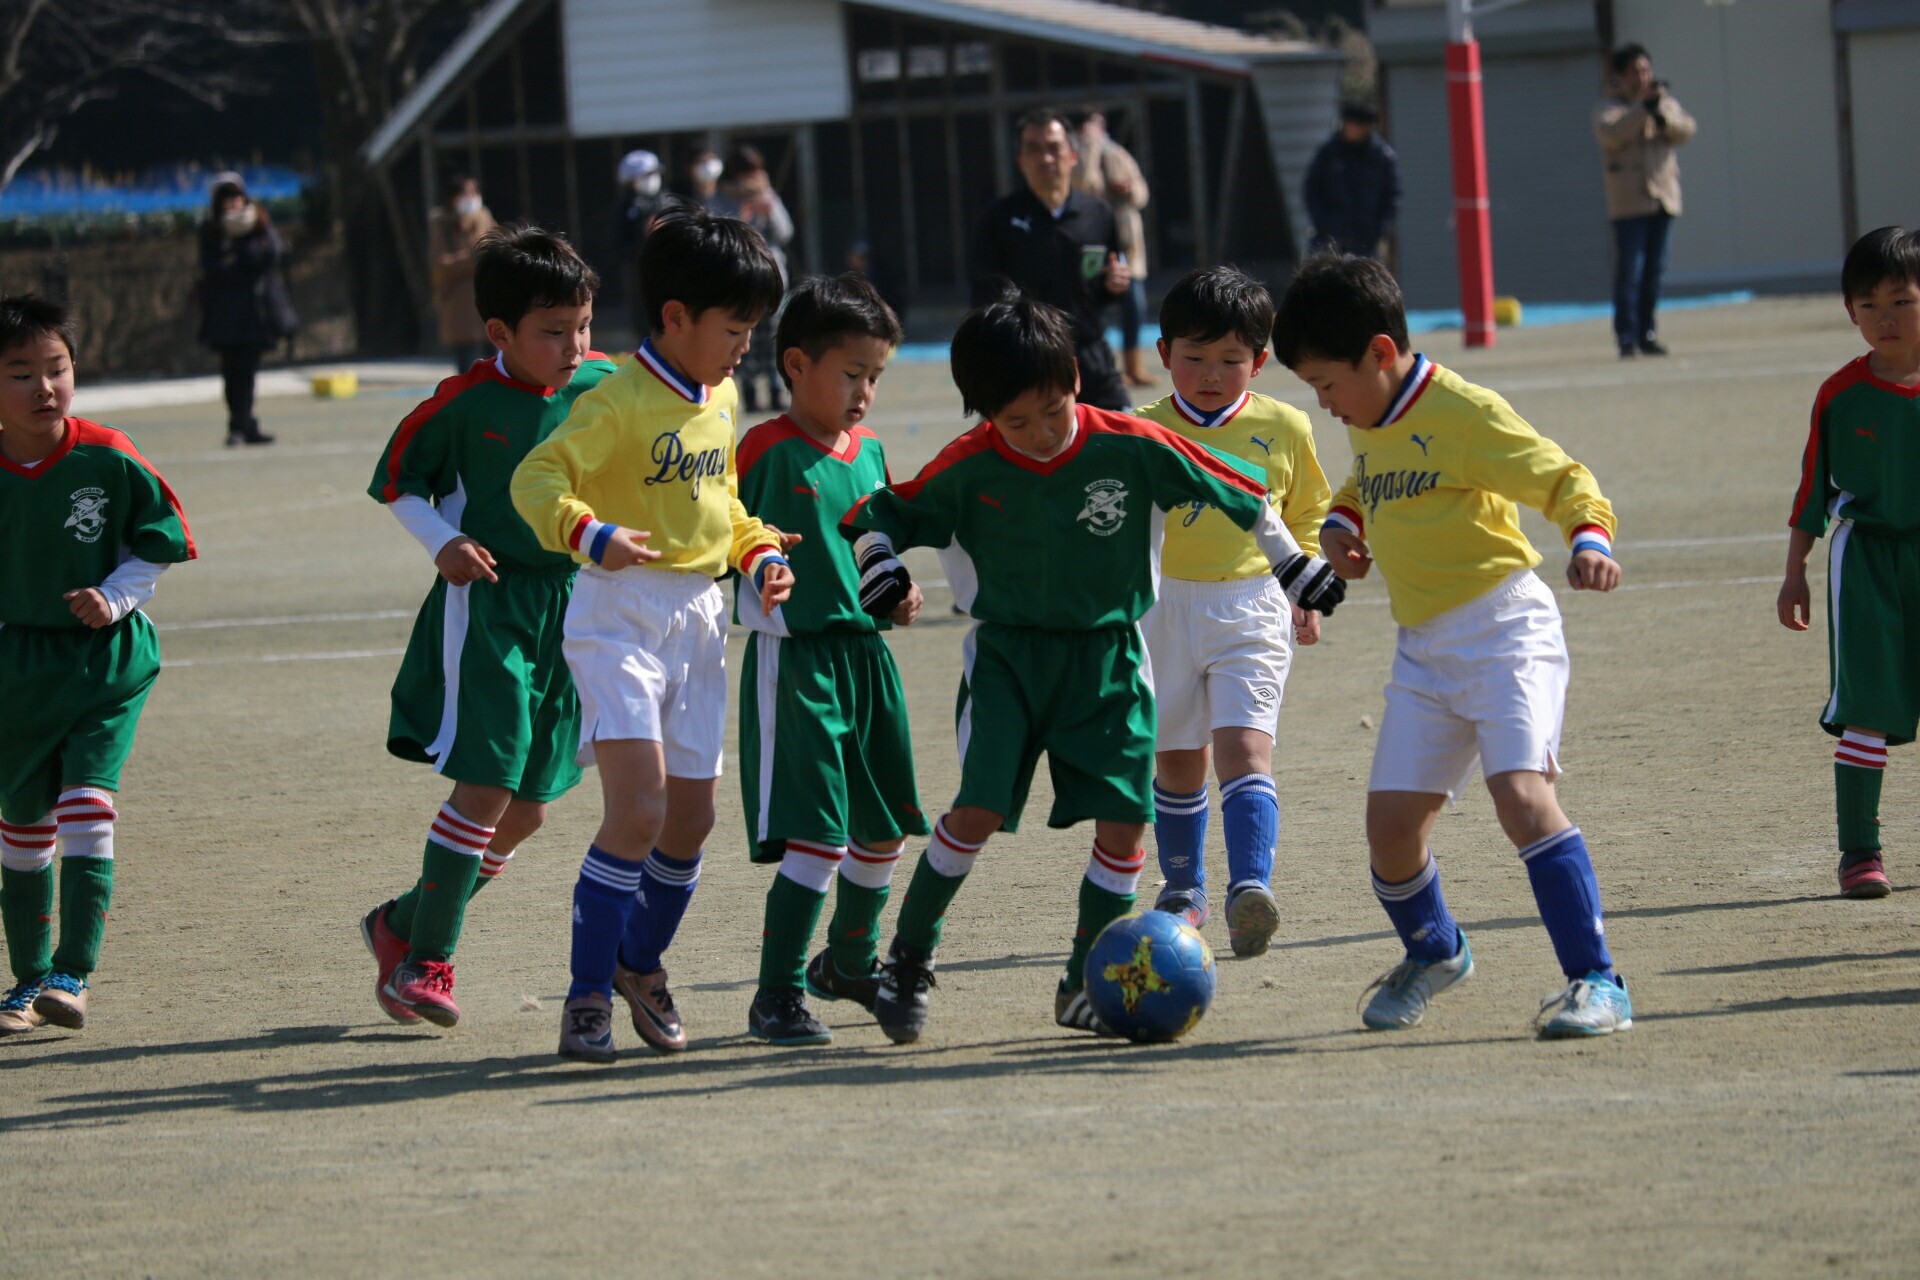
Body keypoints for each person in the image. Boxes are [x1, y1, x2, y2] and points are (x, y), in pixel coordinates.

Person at [839, 290, 1346, 1043]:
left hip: (1110, 656)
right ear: (982, 416)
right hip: (1009, 660)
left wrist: (1292, 566)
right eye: (1015, 422)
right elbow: (878, 513)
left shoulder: (1129, 442)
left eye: (1053, 411)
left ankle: (1081, 981)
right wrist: (877, 564)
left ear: (1075, 379)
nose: (1040, 435)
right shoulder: (969, 465)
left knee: (1126, 822)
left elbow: (1241, 492)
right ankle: (908, 958)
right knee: (974, 812)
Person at [1273, 253, 1632, 1039]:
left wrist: (1588, 536)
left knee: (1523, 799)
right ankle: (1435, 950)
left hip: (1505, 630)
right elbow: (1363, 483)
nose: (1326, 405)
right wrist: (1341, 528)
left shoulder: (1464, 413)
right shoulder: (1373, 418)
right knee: (1391, 831)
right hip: (1424, 650)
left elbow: (1561, 475)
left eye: (1326, 385)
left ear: (1379, 352)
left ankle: (1597, 982)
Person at [512, 203, 793, 1064]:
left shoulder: (723, 397)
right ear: (674, 318)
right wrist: (589, 532)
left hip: (701, 618)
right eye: (735, 328)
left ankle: (641, 963)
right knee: (636, 810)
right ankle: (588, 993)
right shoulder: (618, 399)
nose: (747, 346)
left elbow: (725, 508)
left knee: (692, 822)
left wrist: (758, 553)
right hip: (617, 614)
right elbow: (536, 478)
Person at [359, 227, 617, 1029]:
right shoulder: (463, 403)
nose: (574, 346)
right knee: (488, 785)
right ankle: (427, 964)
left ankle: (400, 925)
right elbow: (399, 485)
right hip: (493, 606)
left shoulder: (606, 386)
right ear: (500, 334)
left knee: (532, 808)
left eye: (583, 326)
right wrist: (446, 543)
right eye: (553, 331)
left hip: (578, 609)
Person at [733, 274, 929, 1045]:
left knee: (884, 831)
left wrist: (896, 592)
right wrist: (753, 566)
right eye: (851, 374)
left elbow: (874, 548)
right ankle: (775, 995)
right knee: (820, 835)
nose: (864, 392)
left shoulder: (871, 452)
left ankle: (849, 960)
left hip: (868, 661)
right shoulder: (761, 451)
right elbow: (717, 536)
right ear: (794, 365)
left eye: (875, 376)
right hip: (798, 663)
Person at [0, 295, 196, 1036]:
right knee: (21, 827)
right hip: (17, 667)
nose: (45, 387)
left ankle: (72, 971)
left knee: (86, 805)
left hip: (107, 662)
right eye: (21, 373)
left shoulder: (108, 454)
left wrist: (115, 598)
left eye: (57, 369)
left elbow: (159, 538)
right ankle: (25, 982)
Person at [1134, 267, 1332, 955]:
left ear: (1260, 361)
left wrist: (1303, 587)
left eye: (1230, 360)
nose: (1211, 375)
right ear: (1163, 355)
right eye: (1194, 358)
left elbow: (1308, 515)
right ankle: (1183, 889)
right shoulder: (1140, 431)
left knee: (1245, 749)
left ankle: (1251, 887)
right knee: (1178, 761)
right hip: (1160, 610)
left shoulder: (1285, 426)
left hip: (1251, 604)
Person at [1778, 227, 1920, 900]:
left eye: (1902, 300)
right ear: (1850, 314)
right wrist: (1794, 571)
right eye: (1869, 306)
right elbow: (1813, 490)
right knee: (1865, 707)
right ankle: (1859, 851)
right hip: (1864, 562)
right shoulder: (1840, 393)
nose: (1886, 319)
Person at [971, 109, 1134, 412]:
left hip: (1090, 360)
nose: (1045, 158)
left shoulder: (1098, 214)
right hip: (1024, 362)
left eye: (1054, 147)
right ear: (1020, 161)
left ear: (1073, 155)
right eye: (1033, 148)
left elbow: (1101, 290)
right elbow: (983, 298)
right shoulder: (998, 219)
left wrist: (1115, 285)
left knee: (1125, 443)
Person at [1594, 44, 1696, 359]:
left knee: (1655, 271)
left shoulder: (1664, 105)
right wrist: (1643, 109)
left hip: (1663, 199)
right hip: (1629, 204)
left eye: (1646, 70)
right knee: (1630, 272)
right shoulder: (1609, 109)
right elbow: (1612, 133)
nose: (1642, 77)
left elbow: (1685, 130)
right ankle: (1626, 337)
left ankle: (1647, 332)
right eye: (1635, 71)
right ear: (1621, 77)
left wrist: (1659, 110)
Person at [197, 172, 294, 447]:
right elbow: (214, 269)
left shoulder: (259, 224)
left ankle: (245, 423)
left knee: (248, 369)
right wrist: (239, 265)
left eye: (236, 196)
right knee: (232, 370)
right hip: (226, 314)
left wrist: (239, 259)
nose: (233, 203)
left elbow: (270, 256)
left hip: (255, 312)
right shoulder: (213, 231)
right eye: (227, 198)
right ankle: (239, 423)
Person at [1074, 111, 1154, 389]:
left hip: (1127, 241)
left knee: (1134, 304)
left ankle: (1135, 366)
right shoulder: (1077, 154)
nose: (1097, 130)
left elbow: (1142, 193)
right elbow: (1083, 184)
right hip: (1096, 239)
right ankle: (1100, 364)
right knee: (1095, 304)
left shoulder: (1118, 153)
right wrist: (1089, 148)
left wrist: (1128, 189)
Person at [720, 146, 795, 415]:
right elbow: (721, 237)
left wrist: (769, 211)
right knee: (744, 337)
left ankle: (777, 390)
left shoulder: (767, 194)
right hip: (741, 281)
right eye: (747, 173)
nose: (752, 179)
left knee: (776, 337)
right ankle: (749, 392)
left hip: (773, 280)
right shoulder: (723, 198)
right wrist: (744, 218)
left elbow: (786, 232)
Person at [1303, 103, 1402, 260]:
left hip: (1365, 241)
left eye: (1354, 124)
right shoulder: (1329, 153)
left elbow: (1391, 197)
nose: (1349, 128)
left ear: (1366, 127)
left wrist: (1379, 229)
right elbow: (1312, 189)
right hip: (1329, 238)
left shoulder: (1381, 157)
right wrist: (1323, 223)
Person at [429, 174, 499, 371]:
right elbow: (441, 263)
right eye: (465, 193)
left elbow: (496, 248)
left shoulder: (484, 218)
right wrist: (472, 259)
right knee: (466, 365)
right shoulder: (442, 224)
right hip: (459, 303)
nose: (471, 198)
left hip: (488, 298)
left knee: (497, 362)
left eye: (474, 192)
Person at [615, 150, 666, 341]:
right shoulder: (625, 210)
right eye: (647, 175)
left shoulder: (666, 201)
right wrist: (644, 237)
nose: (653, 179)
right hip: (643, 284)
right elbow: (620, 250)